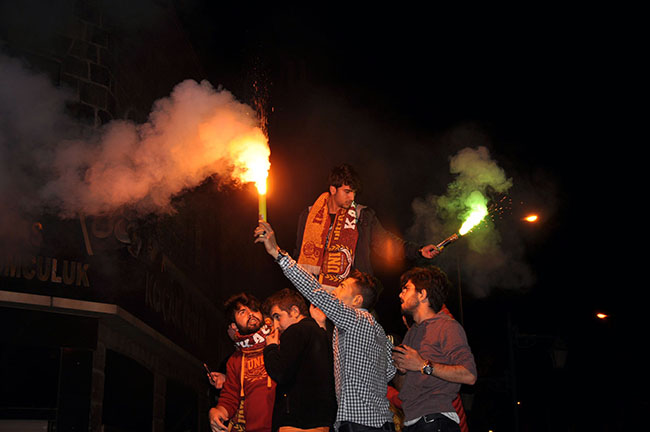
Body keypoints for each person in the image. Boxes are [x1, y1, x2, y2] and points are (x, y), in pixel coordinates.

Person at [255, 219, 396, 432]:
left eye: (342, 286)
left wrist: (277, 253)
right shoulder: (377, 329)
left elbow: (315, 291)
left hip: (360, 423)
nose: (335, 290)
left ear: (357, 300)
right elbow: (390, 371)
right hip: (380, 422)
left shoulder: (355, 319)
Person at [294, 164, 440, 289]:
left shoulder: (362, 215)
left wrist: (418, 251)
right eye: (347, 191)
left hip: (354, 294)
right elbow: (299, 254)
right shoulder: (309, 215)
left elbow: (387, 244)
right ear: (333, 189)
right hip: (317, 293)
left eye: (354, 192)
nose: (352, 197)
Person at [391, 267, 477, 432]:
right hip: (411, 422)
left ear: (422, 294)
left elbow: (469, 375)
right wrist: (401, 371)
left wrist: (422, 365)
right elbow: (403, 388)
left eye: (406, 288)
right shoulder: (411, 333)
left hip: (435, 420)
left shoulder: (447, 326)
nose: (400, 294)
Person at [263, 288, 337, 432]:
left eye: (278, 317)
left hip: (296, 422)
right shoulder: (321, 333)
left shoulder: (295, 331)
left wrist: (271, 348)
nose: (276, 325)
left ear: (295, 311)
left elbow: (280, 372)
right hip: (322, 422)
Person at [209, 293, 276, 432]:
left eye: (254, 309)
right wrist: (217, 412)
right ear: (234, 325)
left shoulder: (278, 339)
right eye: (242, 312)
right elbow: (229, 397)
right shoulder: (235, 360)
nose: (251, 314)